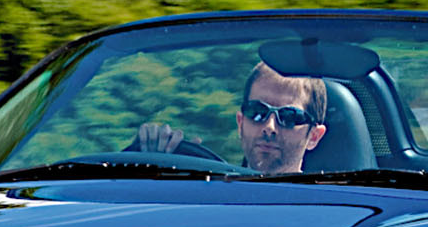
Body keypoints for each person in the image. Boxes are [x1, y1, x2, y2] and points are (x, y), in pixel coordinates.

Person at [134, 62, 328, 174]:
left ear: (314, 136)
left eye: (289, 117)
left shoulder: (326, 208)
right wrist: (151, 164)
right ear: (240, 123)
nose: (269, 126)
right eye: (256, 111)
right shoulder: (202, 189)